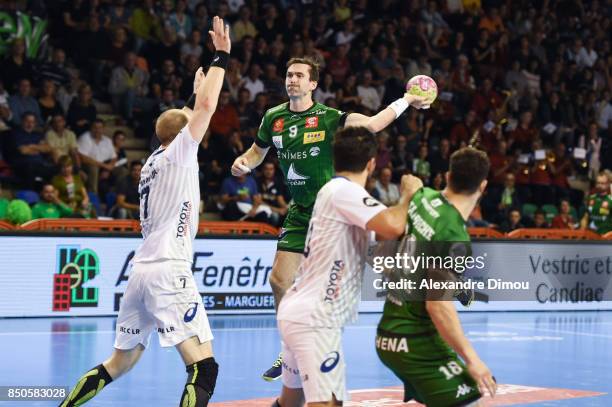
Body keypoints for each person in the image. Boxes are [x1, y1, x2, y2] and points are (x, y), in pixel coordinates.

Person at [59, 16, 231, 407]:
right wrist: (221, 57)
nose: (199, 132)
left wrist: (191, 97)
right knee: (204, 368)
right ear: (183, 136)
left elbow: (184, 118)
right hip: (169, 269)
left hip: (140, 274)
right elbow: (204, 110)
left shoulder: (156, 157)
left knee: (120, 361)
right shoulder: (181, 152)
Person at [230, 56, 433, 380]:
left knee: (382, 262)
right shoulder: (274, 118)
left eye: (299, 75)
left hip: (334, 208)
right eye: (289, 74)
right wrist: (243, 163)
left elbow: (372, 124)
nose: (292, 79)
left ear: (313, 84)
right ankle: (290, 350)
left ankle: (434, 284)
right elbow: (256, 153)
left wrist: (407, 99)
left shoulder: (328, 117)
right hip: (299, 211)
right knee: (278, 281)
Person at [275, 127, 423, 407]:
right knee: (328, 403)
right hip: (316, 317)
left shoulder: (339, 197)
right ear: (371, 163)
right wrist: (408, 196)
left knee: (290, 402)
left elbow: (382, 261)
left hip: (300, 313)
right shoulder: (345, 192)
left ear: (333, 159)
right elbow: (392, 224)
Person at [377, 147, 497, 406]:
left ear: (447, 175)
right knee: (470, 399)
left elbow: (409, 181)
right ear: (483, 186)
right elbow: (438, 305)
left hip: (387, 334)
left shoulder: (423, 197)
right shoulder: (454, 236)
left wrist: (410, 193)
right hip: (414, 340)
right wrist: (472, 359)